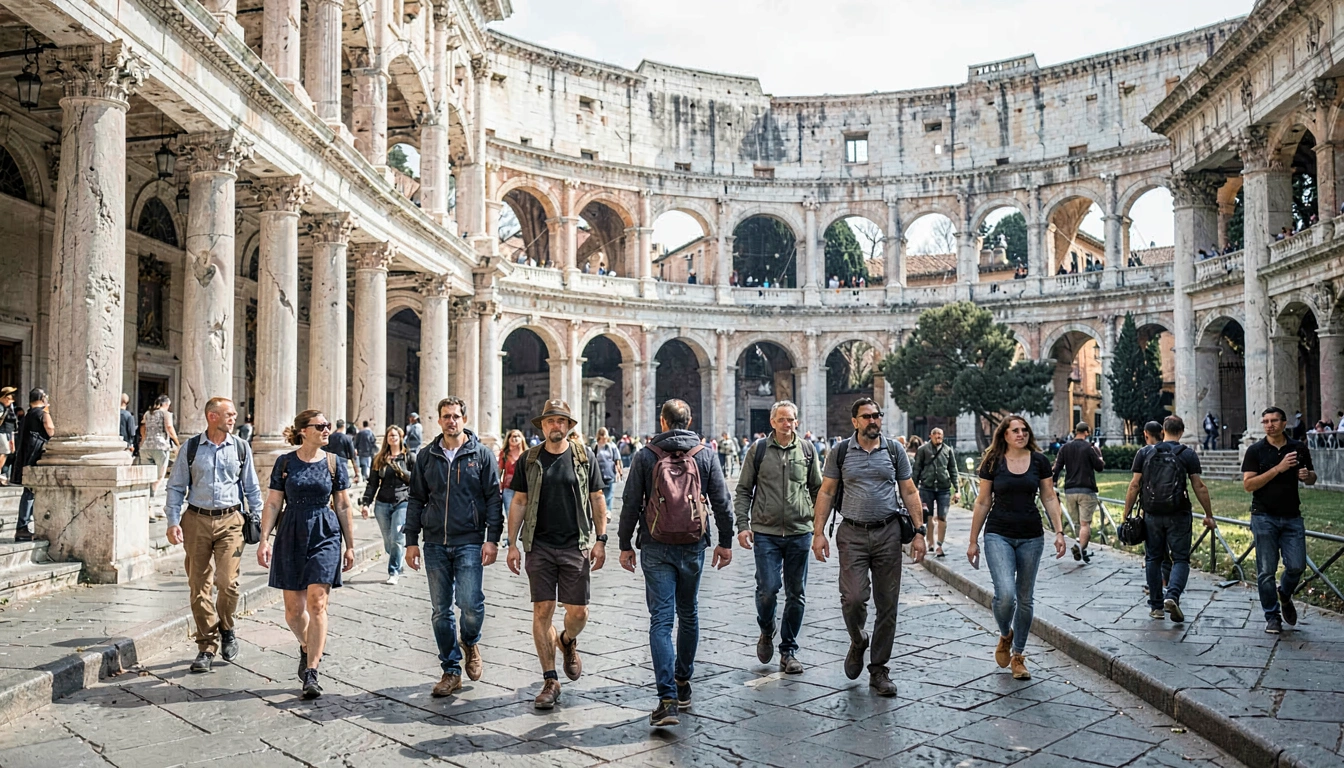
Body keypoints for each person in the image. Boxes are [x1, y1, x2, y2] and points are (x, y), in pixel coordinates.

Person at [620, 398, 734, 727]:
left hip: (655, 545)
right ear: (690, 419)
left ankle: (666, 698)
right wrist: (725, 542)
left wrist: (624, 543)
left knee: (660, 621)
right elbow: (722, 502)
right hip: (693, 543)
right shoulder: (706, 454)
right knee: (689, 613)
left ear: (663, 421)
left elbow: (630, 503)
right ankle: (683, 683)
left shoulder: (646, 455)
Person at [810, 397, 927, 697]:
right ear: (855, 422)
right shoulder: (840, 452)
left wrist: (920, 532)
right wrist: (818, 532)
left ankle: (879, 669)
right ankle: (858, 639)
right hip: (852, 534)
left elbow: (910, 490)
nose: (874, 421)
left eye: (877, 415)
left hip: (888, 532)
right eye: (867, 416)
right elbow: (826, 491)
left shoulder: (894, 449)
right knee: (852, 598)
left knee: (887, 604)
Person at [505, 399, 607, 710]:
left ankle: (567, 641)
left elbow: (597, 497)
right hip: (539, 545)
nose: (556, 426)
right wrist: (511, 543)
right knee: (542, 610)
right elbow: (519, 500)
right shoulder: (529, 458)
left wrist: (601, 539)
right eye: (551, 421)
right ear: (543, 425)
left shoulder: (584, 456)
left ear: (569, 426)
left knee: (578, 613)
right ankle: (550, 679)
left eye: (561, 421)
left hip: (575, 543)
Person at [404, 397, 503, 697]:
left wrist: (493, 538)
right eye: (446, 416)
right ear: (438, 420)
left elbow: (493, 500)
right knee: (440, 611)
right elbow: (416, 499)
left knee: (471, 605)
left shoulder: (482, 455)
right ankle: (451, 669)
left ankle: (470, 641)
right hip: (434, 542)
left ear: (465, 418)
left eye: (456, 416)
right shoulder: (426, 456)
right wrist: (411, 541)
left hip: (470, 541)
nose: (452, 421)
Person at [256, 410, 355, 699]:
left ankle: (312, 671)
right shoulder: (285, 462)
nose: (327, 430)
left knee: (317, 603)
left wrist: (350, 545)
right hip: (291, 532)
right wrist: (264, 539)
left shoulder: (335, 463)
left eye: (328, 425)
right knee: (293, 612)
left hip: (325, 532)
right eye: (321, 426)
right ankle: (305, 644)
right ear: (303, 431)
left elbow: (344, 506)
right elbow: (273, 503)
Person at [163, 397, 263, 673]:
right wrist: (173, 521)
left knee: (227, 582)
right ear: (212, 416)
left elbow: (252, 488)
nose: (234, 418)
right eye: (228, 414)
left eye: (233, 414)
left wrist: (260, 522)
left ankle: (227, 627)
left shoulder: (241, 448)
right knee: (199, 586)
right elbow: (175, 487)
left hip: (231, 520)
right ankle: (206, 645)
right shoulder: (192, 448)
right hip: (196, 520)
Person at [967, 416, 1067, 681]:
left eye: (1024, 430)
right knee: (1005, 595)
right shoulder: (993, 462)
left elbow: (1048, 496)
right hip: (998, 533)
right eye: (1015, 430)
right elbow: (982, 501)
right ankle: (1005, 634)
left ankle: (1019, 656)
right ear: (1005, 435)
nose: (1021, 434)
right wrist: (972, 540)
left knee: (1025, 599)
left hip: (1031, 537)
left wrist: (1059, 531)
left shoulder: (1039, 461)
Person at [734, 401, 821, 676]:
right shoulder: (758, 450)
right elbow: (744, 490)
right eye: (782, 419)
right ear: (772, 422)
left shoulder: (807, 451)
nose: (787, 424)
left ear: (797, 422)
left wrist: (818, 529)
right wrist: (742, 524)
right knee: (768, 589)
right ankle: (766, 627)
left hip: (799, 531)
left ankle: (788, 651)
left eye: (791, 419)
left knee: (797, 594)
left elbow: (819, 490)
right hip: (766, 532)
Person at [1122, 416, 1214, 624]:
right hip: (1179, 513)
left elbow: (1134, 485)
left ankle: (1156, 607)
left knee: (1153, 558)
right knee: (1180, 558)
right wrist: (1208, 515)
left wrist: (1127, 513)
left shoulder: (1144, 453)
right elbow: (1199, 486)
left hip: (1152, 514)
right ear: (1181, 432)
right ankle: (1172, 595)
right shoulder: (1187, 454)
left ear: (1163, 431)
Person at [1242, 407, 1317, 634]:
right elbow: (1248, 485)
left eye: (1274, 420)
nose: (1269, 425)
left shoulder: (1298, 448)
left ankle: (1284, 593)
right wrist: (1279, 468)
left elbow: (1312, 477)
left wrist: (1307, 476)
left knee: (1296, 566)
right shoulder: (1255, 450)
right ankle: (1272, 616)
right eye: (1265, 421)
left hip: (1292, 516)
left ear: (1285, 423)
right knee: (1266, 571)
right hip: (1263, 516)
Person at [360, 424, 413, 585]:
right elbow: (372, 483)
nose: (393, 438)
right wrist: (366, 502)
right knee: (388, 540)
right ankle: (398, 561)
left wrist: (400, 471)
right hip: (382, 502)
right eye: (390, 436)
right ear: (387, 439)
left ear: (401, 438)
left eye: (395, 435)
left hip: (402, 501)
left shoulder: (409, 457)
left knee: (397, 536)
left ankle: (393, 571)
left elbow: (416, 480)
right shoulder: (380, 458)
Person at [1052, 422, 1104, 563]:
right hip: (1087, 489)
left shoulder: (1065, 448)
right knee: (1085, 524)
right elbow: (1099, 467)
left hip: (1070, 490)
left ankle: (1081, 550)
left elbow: (1056, 468)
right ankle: (1080, 547)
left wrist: (1054, 483)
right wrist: (1099, 456)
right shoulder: (1089, 448)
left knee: (1077, 523)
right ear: (1087, 432)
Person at [12, 388, 53, 542]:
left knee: (29, 492)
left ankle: (23, 525)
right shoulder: (41, 412)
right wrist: (48, 410)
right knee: (30, 492)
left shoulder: (28, 413)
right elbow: (51, 430)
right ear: (42, 398)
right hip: (34, 456)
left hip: (26, 455)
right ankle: (22, 526)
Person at [912, 427, 959, 558]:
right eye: (936, 434)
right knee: (929, 517)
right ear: (930, 436)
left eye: (940, 434)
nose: (938, 436)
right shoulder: (923, 450)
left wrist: (957, 490)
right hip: (927, 487)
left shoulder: (948, 451)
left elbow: (953, 470)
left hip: (944, 488)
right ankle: (930, 543)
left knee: (942, 517)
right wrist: (913, 489)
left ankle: (939, 544)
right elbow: (916, 469)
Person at [140, 395, 180, 497]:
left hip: (146, 446)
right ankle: (151, 495)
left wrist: (144, 439)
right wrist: (176, 442)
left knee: (147, 474)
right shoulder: (166, 413)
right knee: (160, 475)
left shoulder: (148, 413)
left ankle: (145, 495)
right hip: (161, 446)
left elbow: (143, 427)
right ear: (166, 404)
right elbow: (170, 427)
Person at [593, 427, 624, 510]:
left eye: (604, 436)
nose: (603, 438)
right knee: (599, 495)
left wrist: (619, 471)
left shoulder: (612, 446)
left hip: (609, 473)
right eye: (601, 436)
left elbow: (617, 459)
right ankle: (601, 511)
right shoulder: (595, 446)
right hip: (598, 474)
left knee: (609, 496)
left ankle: (607, 512)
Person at [499, 428, 526, 514]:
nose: (515, 438)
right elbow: (499, 470)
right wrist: (498, 483)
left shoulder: (527, 454)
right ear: (508, 439)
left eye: (517, 436)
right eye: (512, 436)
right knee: (509, 513)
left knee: (522, 515)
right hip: (508, 488)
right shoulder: (504, 453)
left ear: (522, 438)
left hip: (523, 488)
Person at [0, 387, 17, 485]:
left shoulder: (9, 408)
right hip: (1, 432)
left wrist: (12, 439)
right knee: (4, 451)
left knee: (6, 452)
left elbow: (12, 425)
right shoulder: (1, 407)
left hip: (6, 433)